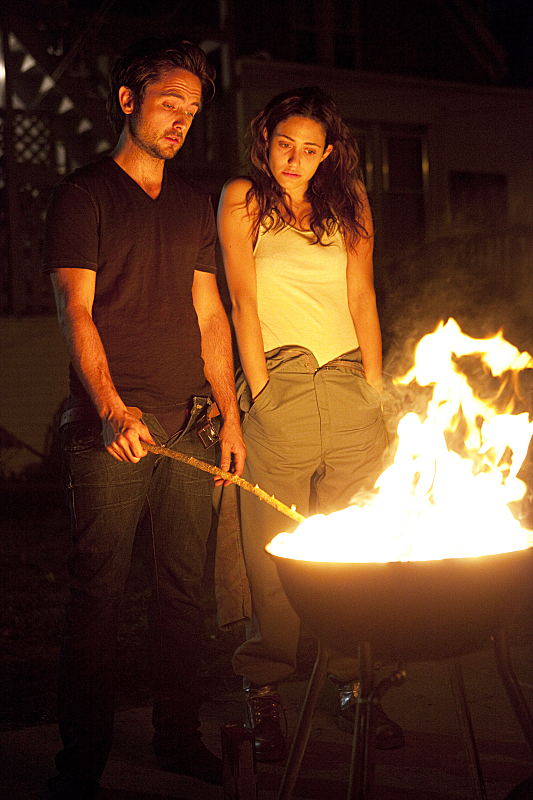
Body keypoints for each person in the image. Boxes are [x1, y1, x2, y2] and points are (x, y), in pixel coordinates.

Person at [42, 36, 246, 800]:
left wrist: (228, 417)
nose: (181, 120)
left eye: (192, 109)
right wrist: (110, 408)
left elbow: (210, 315)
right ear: (128, 101)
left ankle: (176, 738)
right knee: (96, 595)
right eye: (169, 102)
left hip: (189, 424)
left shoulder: (193, 205)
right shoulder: (85, 195)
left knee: (183, 593)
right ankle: (81, 760)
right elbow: (76, 310)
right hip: (112, 435)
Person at [217, 86, 403, 761]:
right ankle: (263, 694)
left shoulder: (349, 201)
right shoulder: (243, 198)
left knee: (352, 550)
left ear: (329, 153)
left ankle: (358, 686)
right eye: (285, 145)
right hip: (283, 383)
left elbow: (361, 294)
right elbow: (240, 298)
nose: (295, 160)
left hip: (349, 382)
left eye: (310, 149)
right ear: (265, 140)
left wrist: (375, 390)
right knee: (274, 549)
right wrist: (261, 391)